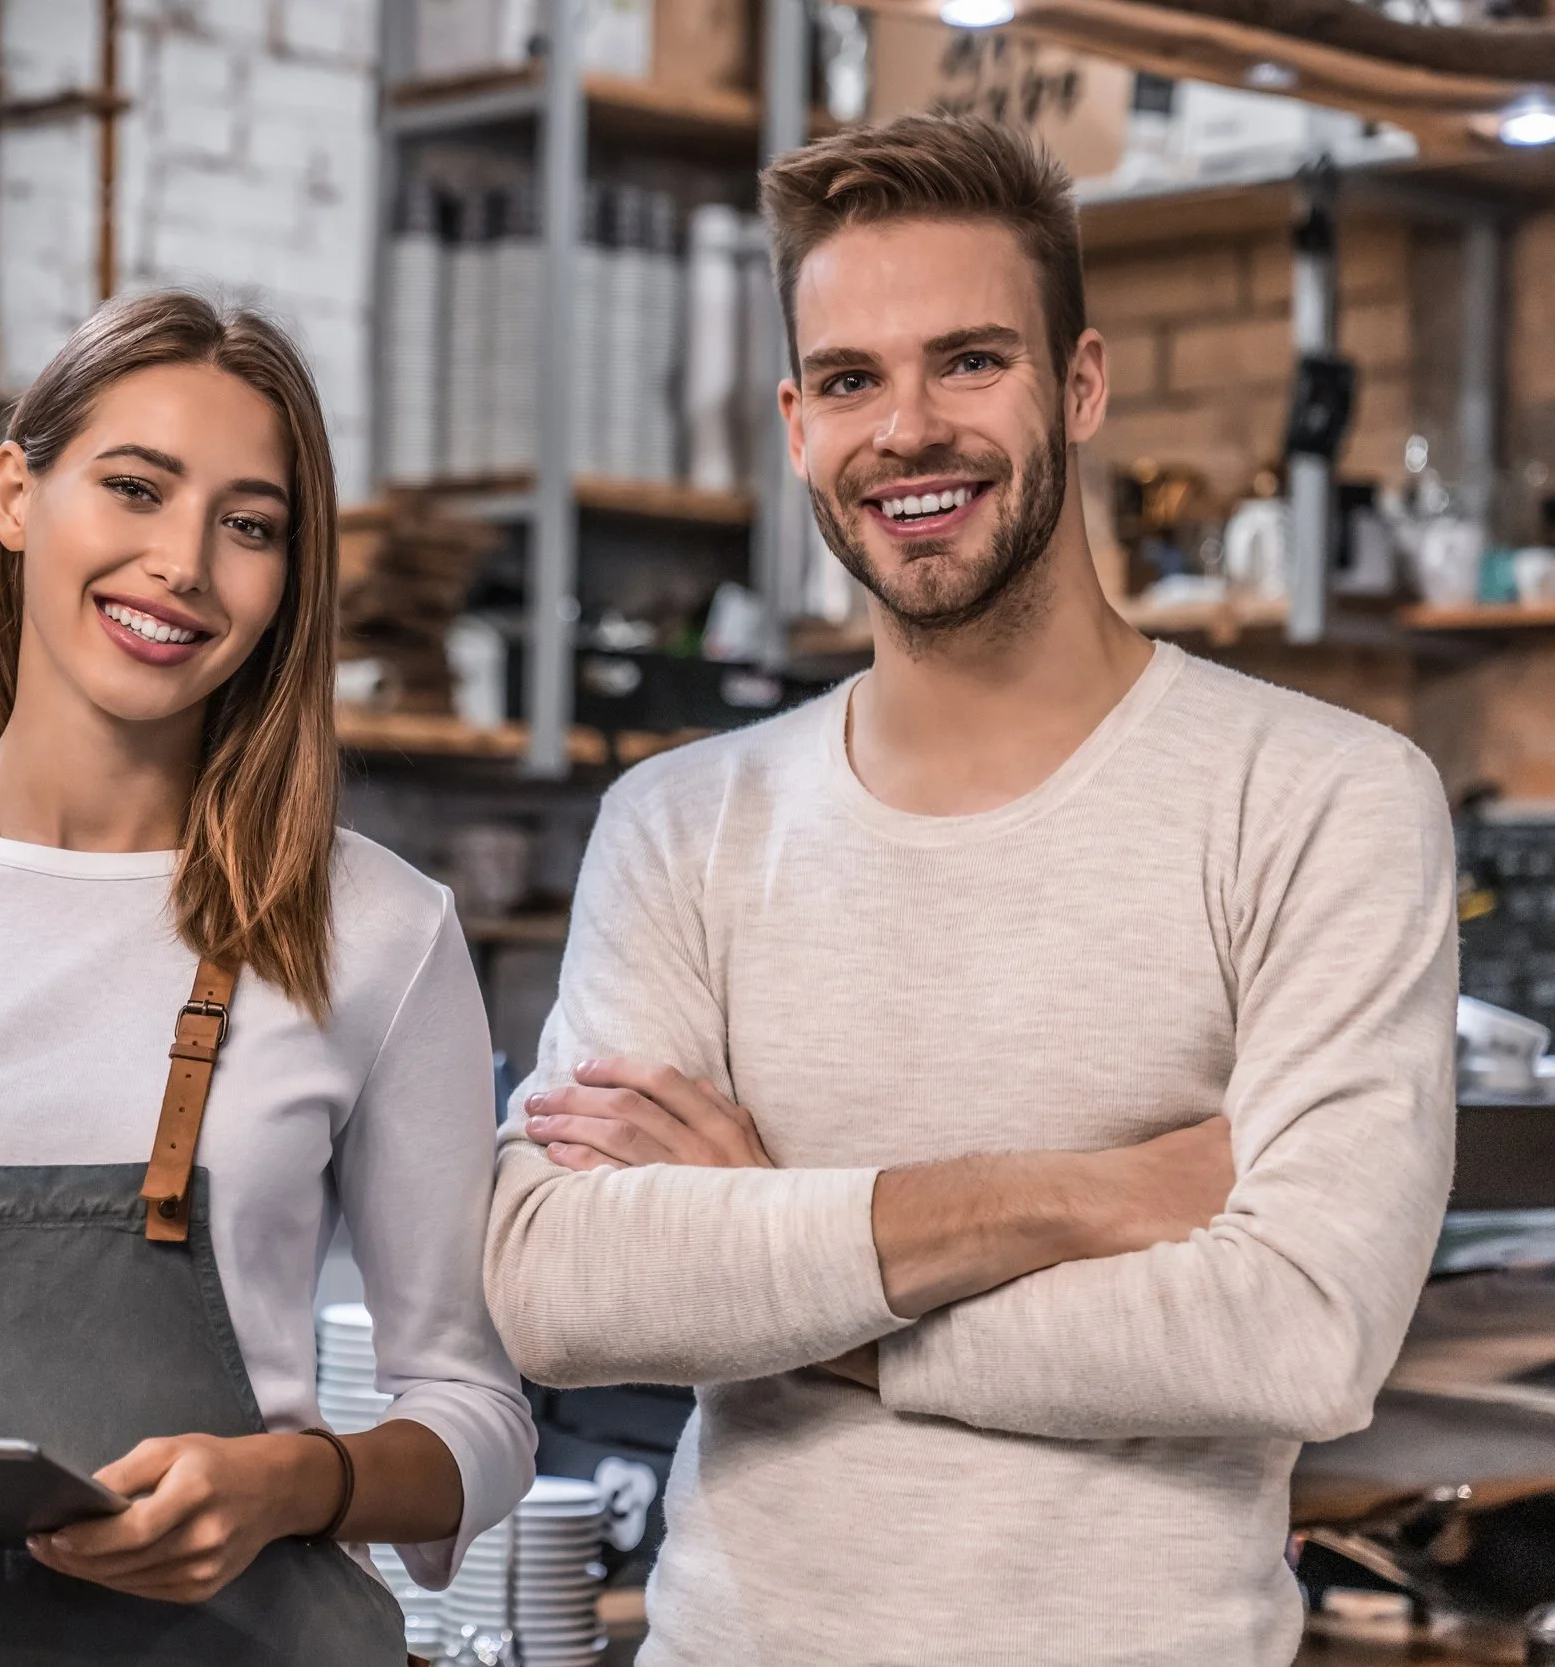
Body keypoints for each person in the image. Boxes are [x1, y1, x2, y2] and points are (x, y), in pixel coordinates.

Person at [484, 113, 1455, 1665]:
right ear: (798, 424)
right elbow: (557, 1284)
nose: (910, 429)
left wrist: (780, 1268)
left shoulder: (1323, 797)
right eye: (854, 380)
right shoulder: (680, 824)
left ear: (1079, 384)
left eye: (971, 361)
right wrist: (1078, 1194)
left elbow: (1296, 1329)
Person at [0, 289, 533, 1666]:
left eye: (248, 524)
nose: (182, 563)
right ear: (17, 492)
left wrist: (294, 1482)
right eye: (134, 488)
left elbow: (476, 1418)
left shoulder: (377, 927)